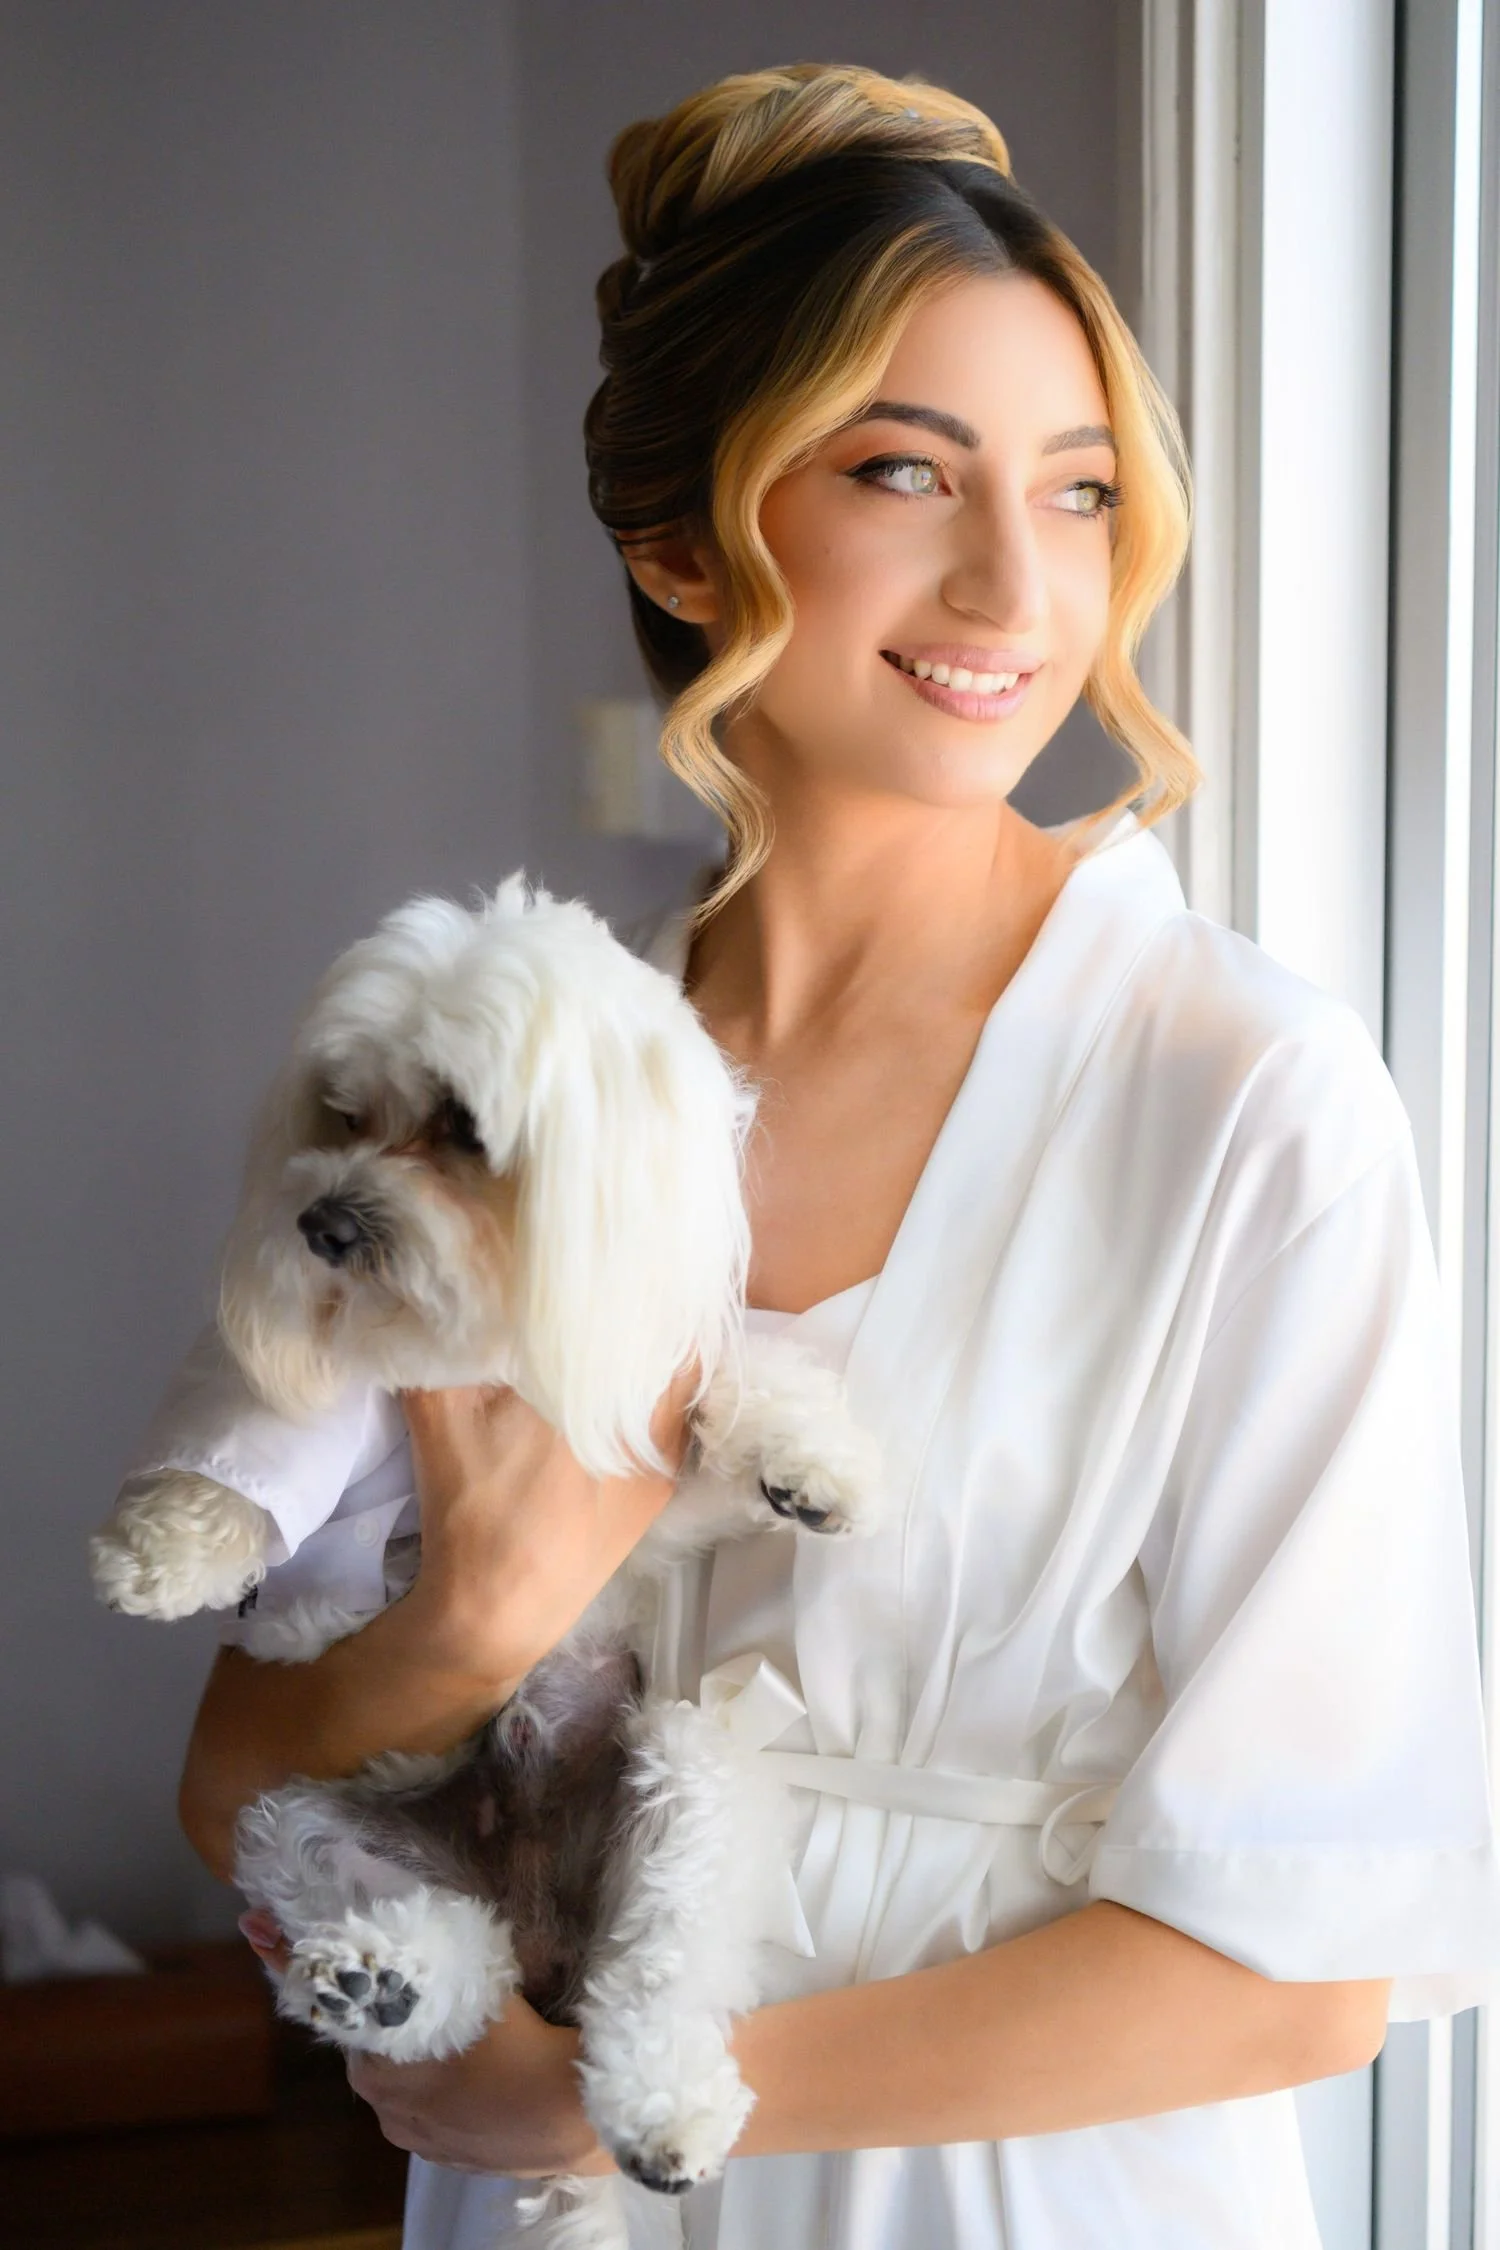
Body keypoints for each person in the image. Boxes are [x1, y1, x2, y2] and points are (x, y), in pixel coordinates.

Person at [179, 62, 1500, 2250]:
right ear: (681, 540)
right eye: (907, 471)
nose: (1015, 581)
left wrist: (606, 2101)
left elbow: (1309, 1956)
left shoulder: (1247, 1102)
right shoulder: (508, 1092)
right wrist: (488, 1607)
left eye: (1079, 492)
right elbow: (235, 1787)